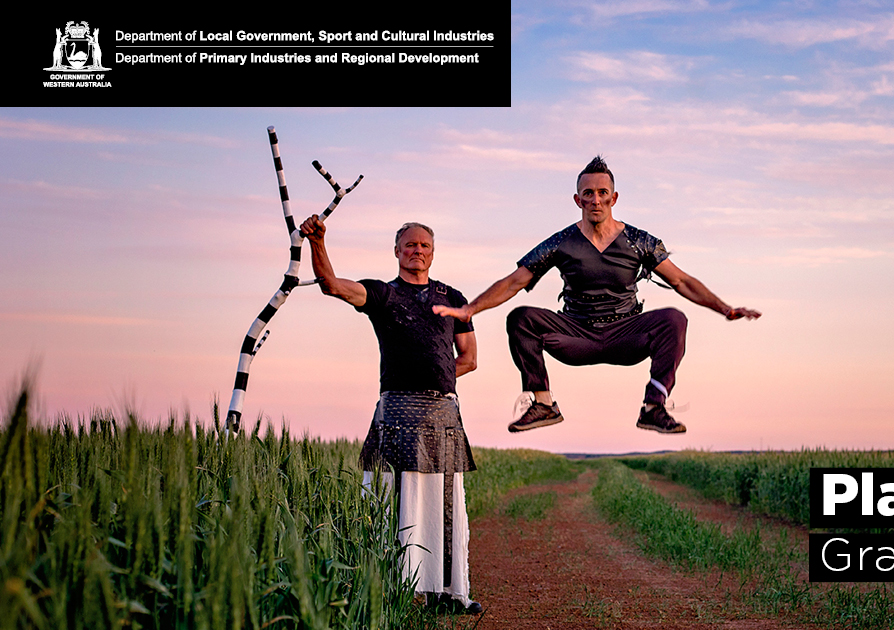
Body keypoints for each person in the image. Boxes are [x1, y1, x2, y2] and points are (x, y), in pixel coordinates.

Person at [433, 156, 760, 434]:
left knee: (674, 318)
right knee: (521, 317)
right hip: (576, 333)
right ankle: (543, 404)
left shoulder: (639, 241)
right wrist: (470, 309)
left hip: (625, 333)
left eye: (602, 193)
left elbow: (683, 282)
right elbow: (515, 281)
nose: (595, 200)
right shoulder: (560, 242)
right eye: (587, 193)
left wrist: (725, 309)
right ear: (578, 200)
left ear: (614, 198)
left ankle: (654, 406)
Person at [299, 215, 483, 615]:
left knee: (445, 504)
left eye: (424, 246)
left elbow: (469, 358)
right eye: (410, 245)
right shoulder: (383, 295)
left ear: (433, 253)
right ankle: (386, 589)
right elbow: (332, 285)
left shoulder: (454, 297)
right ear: (397, 251)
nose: (417, 251)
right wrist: (318, 242)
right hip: (395, 410)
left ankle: (449, 594)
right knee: (389, 501)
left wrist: (435, 373)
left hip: (442, 414)